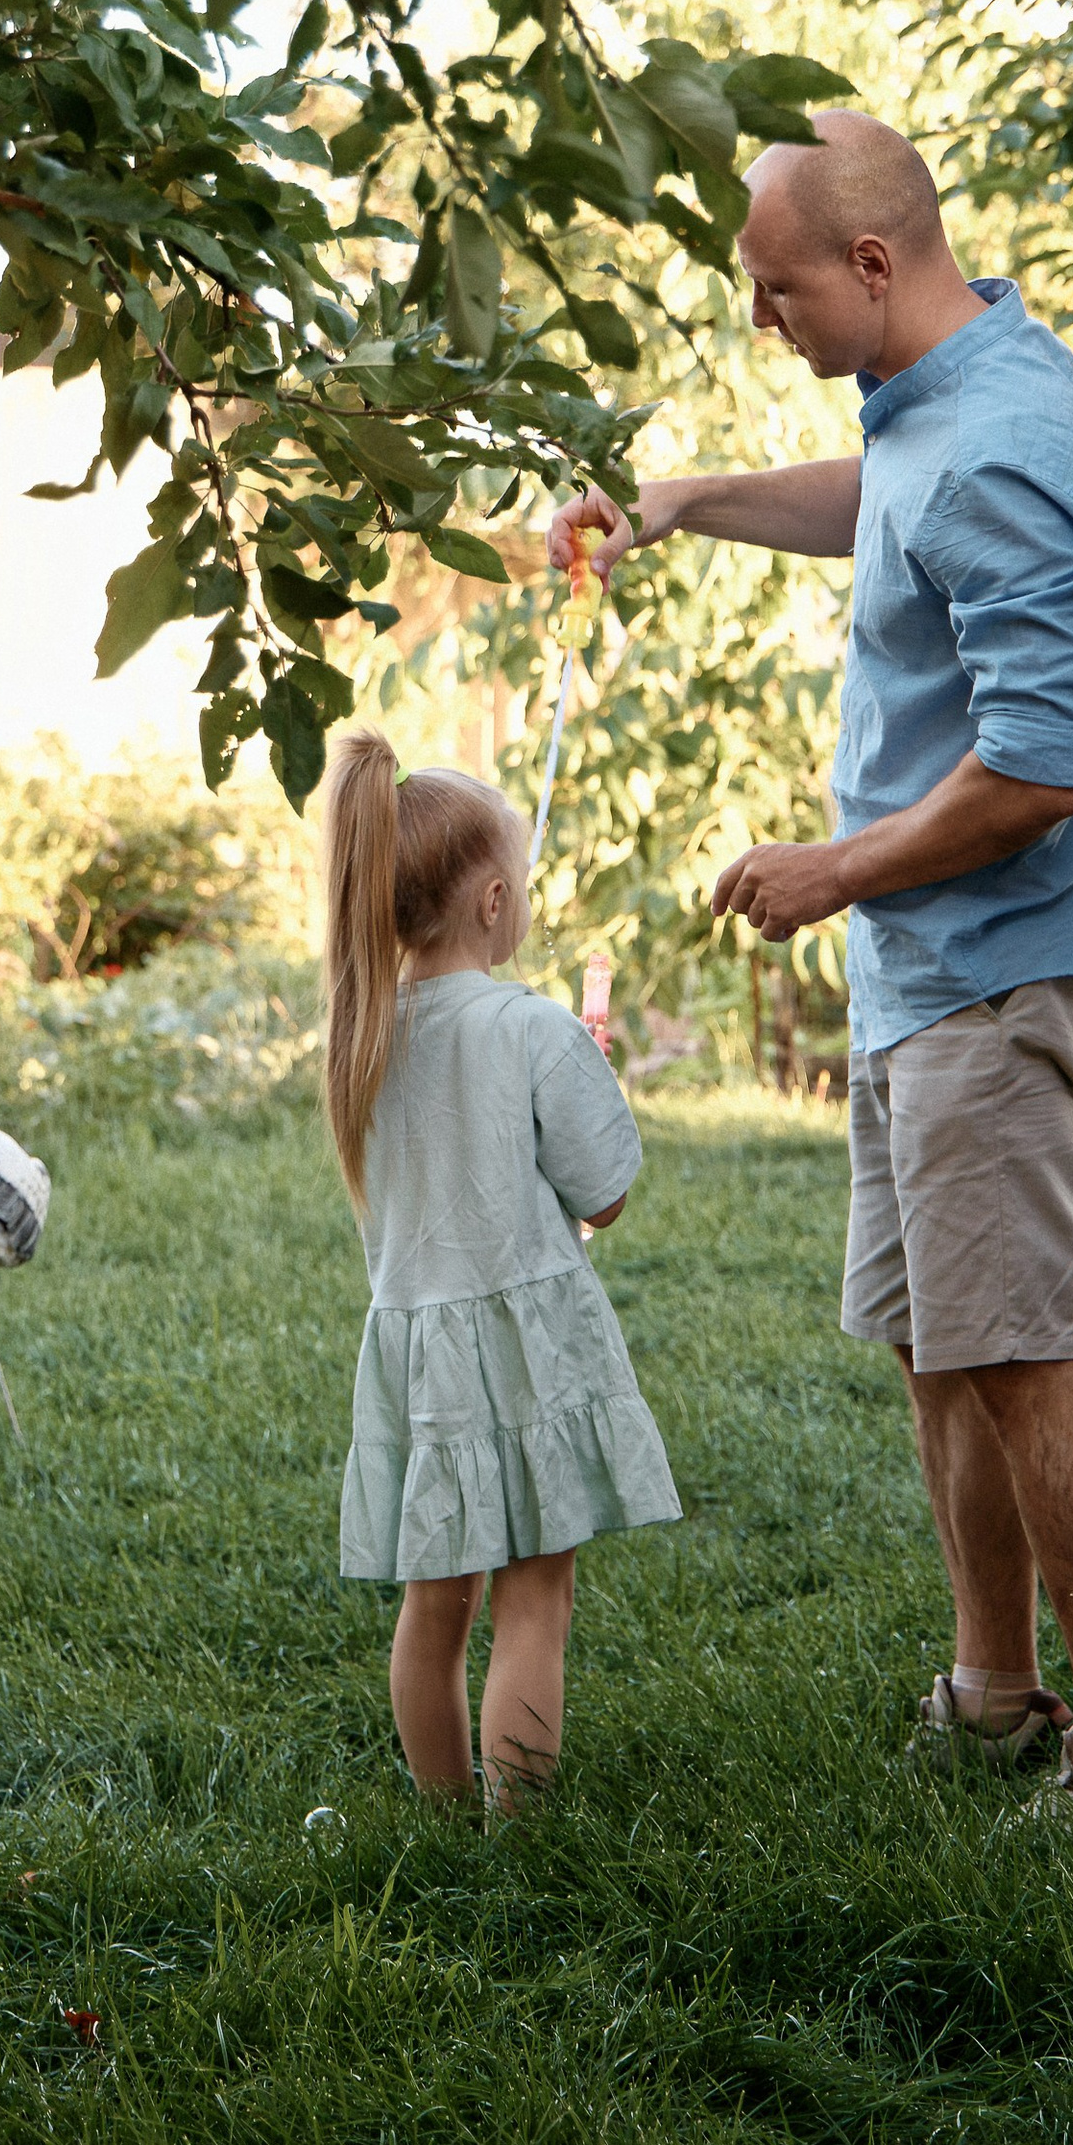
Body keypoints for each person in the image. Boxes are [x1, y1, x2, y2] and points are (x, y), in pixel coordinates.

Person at [549, 112, 1073, 1842]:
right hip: (927, 974)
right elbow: (885, 504)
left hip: (993, 973)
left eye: (774, 294)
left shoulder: (1002, 443)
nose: (765, 323)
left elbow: (1040, 769)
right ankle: (998, 1689)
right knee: (942, 1345)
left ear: (865, 262)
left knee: (1025, 1353)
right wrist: (682, 501)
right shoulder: (947, 389)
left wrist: (828, 870)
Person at [322, 731, 680, 1809]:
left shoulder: (361, 1037)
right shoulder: (531, 1026)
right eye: (515, 885)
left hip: (423, 1354)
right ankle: (518, 1838)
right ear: (489, 901)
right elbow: (603, 1194)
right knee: (536, 1591)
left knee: (436, 1604)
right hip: (526, 1349)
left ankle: (442, 1815)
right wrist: (588, 1075)